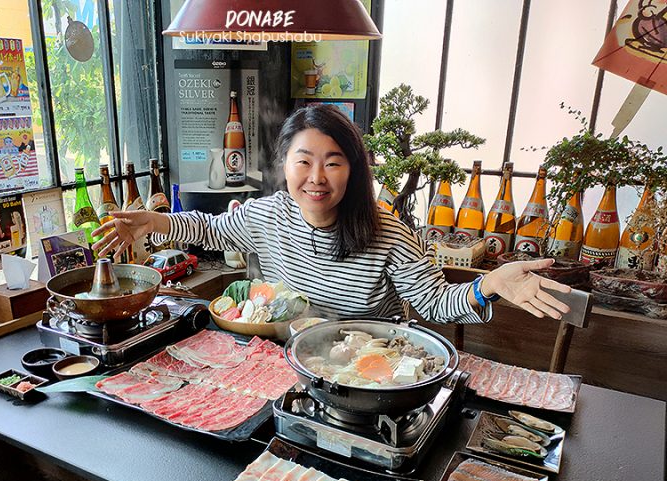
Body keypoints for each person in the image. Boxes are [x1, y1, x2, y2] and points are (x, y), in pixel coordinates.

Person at [92, 104, 571, 323]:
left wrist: (488, 285)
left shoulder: (388, 232)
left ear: (353, 170)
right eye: (304, 161)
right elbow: (210, 228)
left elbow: (433, 303)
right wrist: (155, 222)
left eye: (333, 162)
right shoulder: (270, 214)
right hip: (288, 360)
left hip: (368, 365)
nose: (316, 176)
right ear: (285, 164)